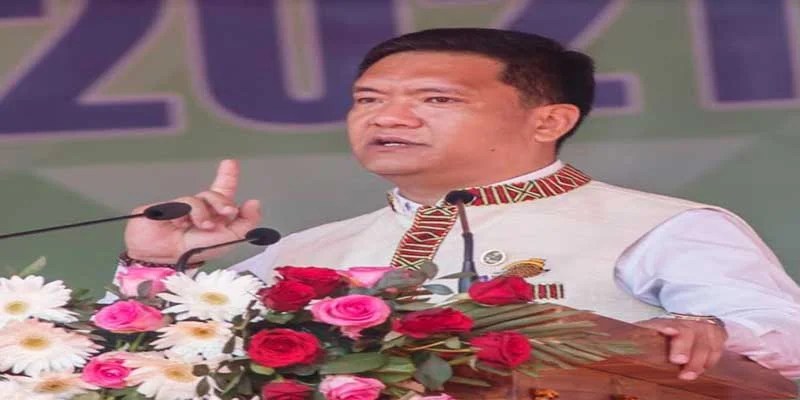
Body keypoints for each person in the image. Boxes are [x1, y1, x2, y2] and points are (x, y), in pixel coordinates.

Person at [121, 28, 800, 380]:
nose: (389, 117)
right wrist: (157, 267)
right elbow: (162, 366)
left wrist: (706, 330)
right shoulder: (303, 253)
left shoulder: (659, 227)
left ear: (549, 119)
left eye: (436, 99)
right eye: (368, 100)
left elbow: (783, 335)